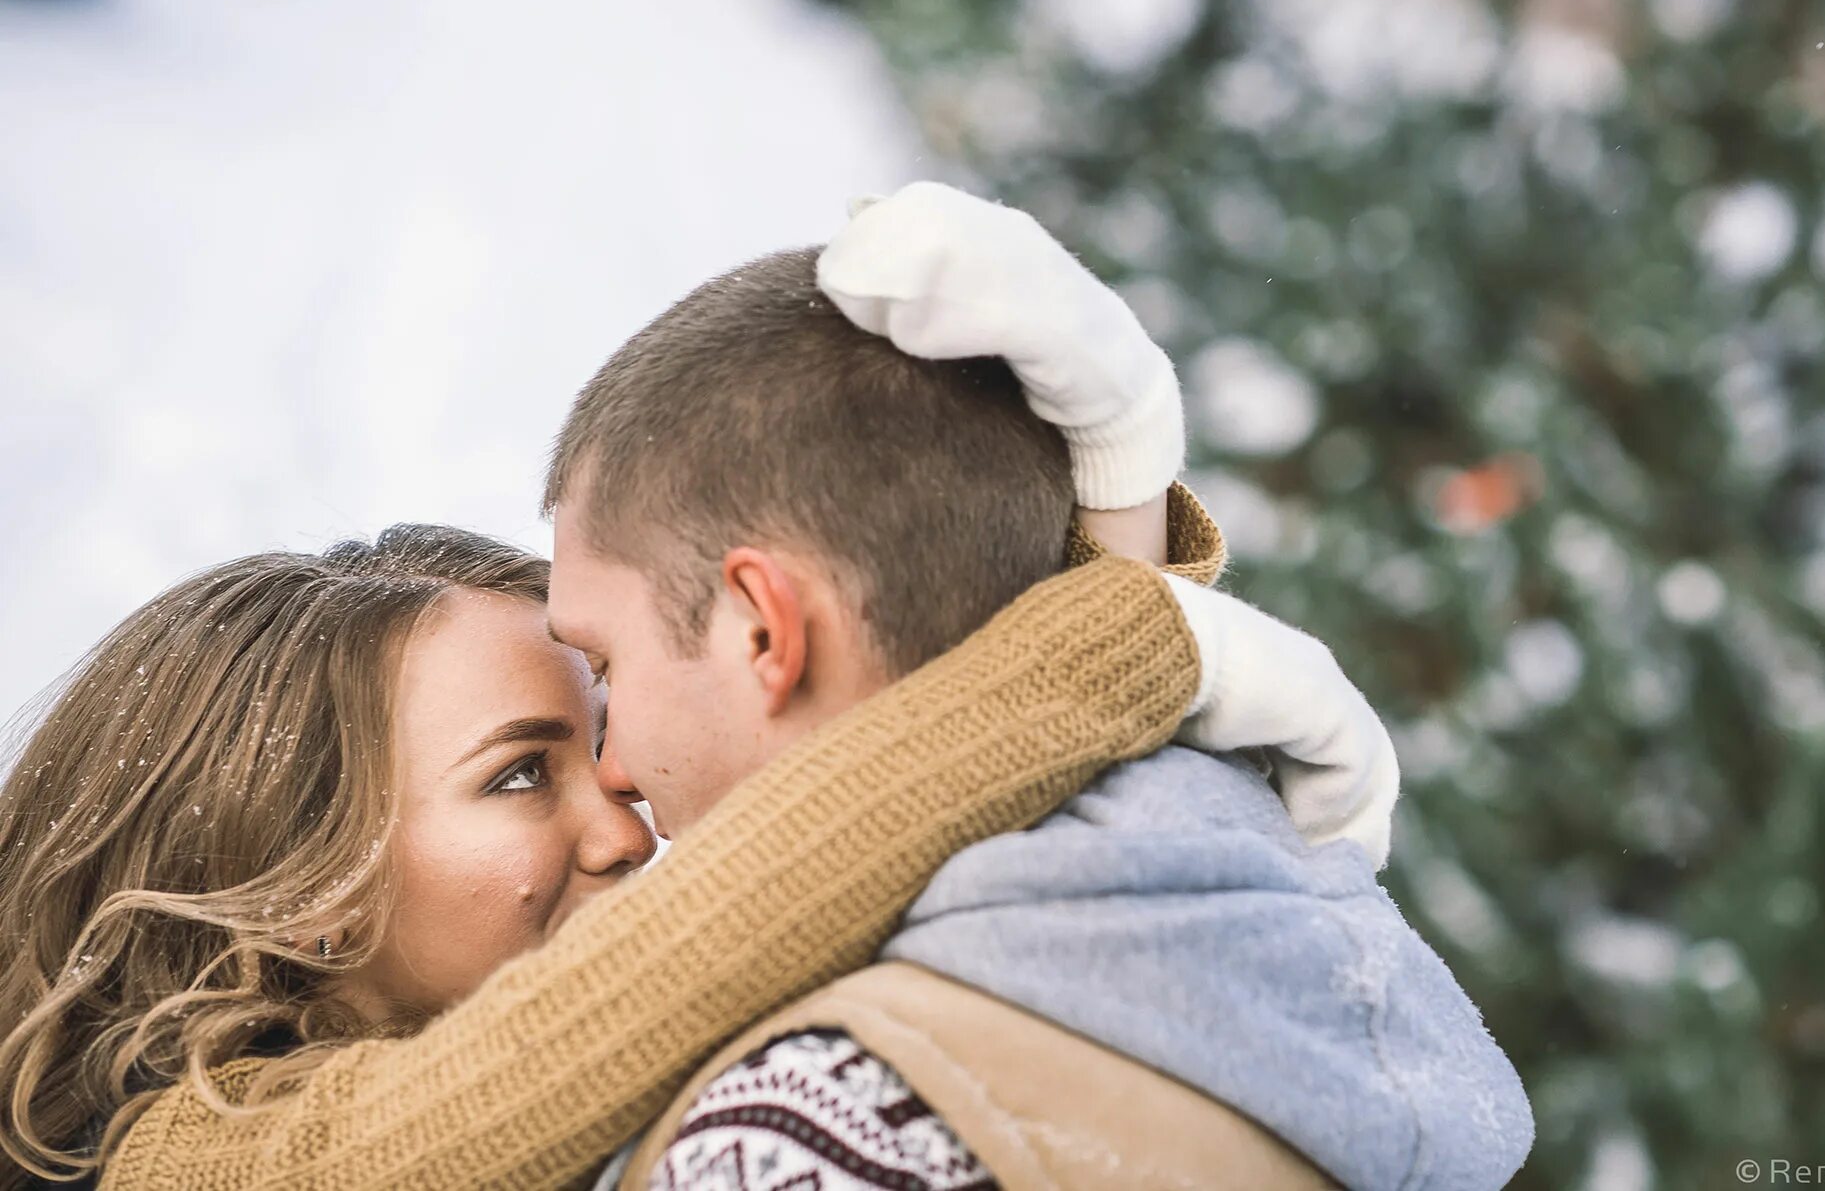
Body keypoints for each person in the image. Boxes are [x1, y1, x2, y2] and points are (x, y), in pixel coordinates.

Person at [0, 194, 1352, 1188]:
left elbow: (951, 850)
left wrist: (1112, 491)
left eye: (600, 737)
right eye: (521, 769)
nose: (629, 822)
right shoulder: (193, 1159)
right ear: (295, 883)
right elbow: (730, 915)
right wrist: (1119, 639)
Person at [540, 183, 1533, 1191]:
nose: (612, 767)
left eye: (609, 669)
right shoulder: (1262, 967)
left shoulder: (804, 1137)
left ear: (764, 630)